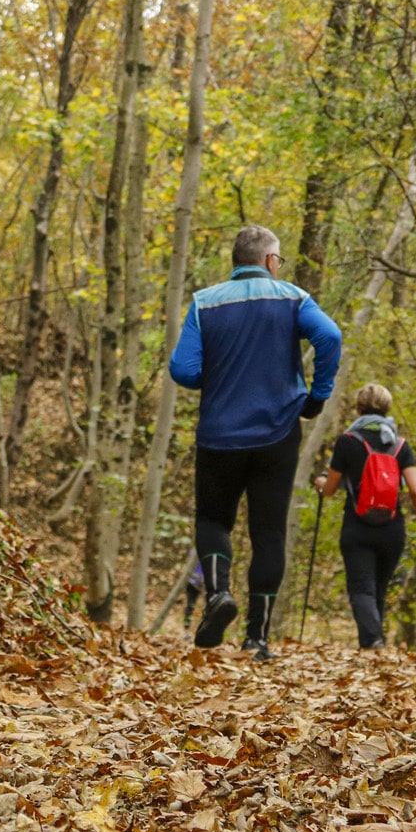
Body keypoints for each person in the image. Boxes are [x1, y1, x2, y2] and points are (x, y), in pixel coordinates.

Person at [169, 225, 342, 661]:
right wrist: (317, 396)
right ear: (269, 260)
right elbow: (331, 337)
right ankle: (257, 638)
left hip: (219, 434)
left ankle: (218, 595)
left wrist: (219, 377)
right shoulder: (293, 298)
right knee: (268, 533)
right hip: (277, 433)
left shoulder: (205, 302)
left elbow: (183, 370)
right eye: (278, 259)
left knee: (213, 520)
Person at [313, 383, 416, 649]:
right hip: (392, 528)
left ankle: (374, 642)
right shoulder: (400, 446)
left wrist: (321, 484)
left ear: (359, 408)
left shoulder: (347, 441)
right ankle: (374, 647)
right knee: (379, 589)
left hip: (357, 527)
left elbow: (330, 489)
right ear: (387, 409)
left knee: (361, 589)